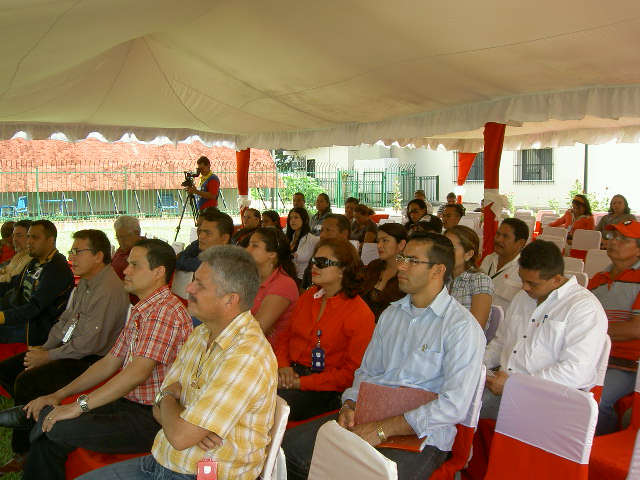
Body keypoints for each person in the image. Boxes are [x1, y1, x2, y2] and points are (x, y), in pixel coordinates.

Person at [282, 232, 485, 480]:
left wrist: (382, 429)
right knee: (290, 449)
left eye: (412, 260)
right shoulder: (391, 315)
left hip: (423, 434)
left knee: (366, 475)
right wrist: (350, 404)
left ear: (437, 270)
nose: (401, 265)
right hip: (369, 418)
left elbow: (454, 405)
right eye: (402, 257)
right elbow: (366, 373)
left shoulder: (461, 326)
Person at [76, 246, 278, 480]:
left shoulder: (245, 356)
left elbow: (180, 436)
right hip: (162, 462)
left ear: (230, 300)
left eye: (199, 285)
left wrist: (169, 401)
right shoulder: (202, 333)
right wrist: (172, 406)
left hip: (198, 474)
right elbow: (157, 406)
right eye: (193, 280)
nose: (188, 288)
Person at [20, 239, 193, 480]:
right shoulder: (146, 308)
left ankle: (27, 429)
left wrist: (78, 405)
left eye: (135, 265)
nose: (125, 270)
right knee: (51, 417)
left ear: (159, 272)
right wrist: (59, 395)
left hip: (153, 416)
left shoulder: (163, 312)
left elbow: (137, 373)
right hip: (130, 405)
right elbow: (111, 360)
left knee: (55, 425)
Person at [0, 230, 129, 474]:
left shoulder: (108, 288)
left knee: (26, 381)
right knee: (9, 369)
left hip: (91, 361)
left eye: (77, 251)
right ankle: (31, 414)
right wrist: (44, 350)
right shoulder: (87, 283)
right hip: (70, 351)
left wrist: (48, 357)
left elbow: (91, 344)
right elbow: (65, 322)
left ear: (98, 255)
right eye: (71, 251)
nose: (72, 256)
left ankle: (24, 451)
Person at [481, 239, 608, 420]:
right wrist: (479, 365)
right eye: (522, 280)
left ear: (556, 280)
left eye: (532, 283)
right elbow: (501, 343)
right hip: (508, 385)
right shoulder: (522, 297)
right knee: (453, 394)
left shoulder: (583, 308)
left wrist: (515, 384)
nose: (524, 287)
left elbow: (575, 371)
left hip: (551, 399)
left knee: (462, 408)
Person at [274, 238, 375, 421]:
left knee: (266, 407)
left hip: (324, 389)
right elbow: (285, 337)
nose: (314, 267)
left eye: (322, 263)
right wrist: (283, 366)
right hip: (289, 373)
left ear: (343, 270)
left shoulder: (359, 313)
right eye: (314, 261)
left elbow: (349, 374)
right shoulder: (308, 297)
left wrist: (299, 383)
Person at [588, 220, 640, 435]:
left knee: (597, 402)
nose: (613, 242)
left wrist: (594, 330)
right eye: (612, 237)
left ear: (638, 250)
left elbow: (636, 330)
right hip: (594, 357)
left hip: (628, 364)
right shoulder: (598, 279)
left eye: (623, 239)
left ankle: (597, 451)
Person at [0, 220, 74, 345]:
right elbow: (13, 285)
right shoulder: (35, 262)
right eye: (28, 237)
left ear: (50, 241)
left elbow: (35, 307)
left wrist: (3, 317)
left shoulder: (56, 268)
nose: (29, 241)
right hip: (21, 314)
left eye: (35, 237)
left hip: (36, 327)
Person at [247, 227, 299, 347]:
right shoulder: (252, 277)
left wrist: (252, 321)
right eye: (249, 244)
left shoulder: (284, 284)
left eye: (254, 246)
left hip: (269, 353)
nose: (248, 249)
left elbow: (255, 331)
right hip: (251, 347)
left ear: (272, 254)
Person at [445, 225, 494, 328]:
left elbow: (476, 327)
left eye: (452, 248)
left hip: (465, 340)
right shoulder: (443, 278)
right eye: (443, 247)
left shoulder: (479, 280)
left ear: (468, 254)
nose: (445, 252)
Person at [479, 218, 529, 312]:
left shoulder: (525, 269)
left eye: (505, 236)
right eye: (498, 234)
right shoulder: (488, 259)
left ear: (520, 243)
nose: (498, 239)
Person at [361, 223, 407, 321]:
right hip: (364, 324)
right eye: (378, 241)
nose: (379, 245)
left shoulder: (409, 272)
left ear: (401, 244)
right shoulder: (374, 266)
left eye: (385, 241)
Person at [299, 214, 352, 290]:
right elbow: (303, 288)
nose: (322, 235)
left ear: (344, 234)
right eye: (322, 231)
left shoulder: (352, 263)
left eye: (328, 230)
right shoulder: (315, 258)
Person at [175, 209, 233, 273]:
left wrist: (182, 260)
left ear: (224, 239)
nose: (201, 236)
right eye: (201, 230)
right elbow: (181, 256)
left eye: (208, 233)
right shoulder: (201, 243)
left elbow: (198, 265)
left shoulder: (229, 261)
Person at [287, 207, 320, 280]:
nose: (292, 220)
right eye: (290, 218)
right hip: (289, 277)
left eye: (296, 217)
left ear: (305, 220)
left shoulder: (313, 240)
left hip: (304, 279)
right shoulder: (288, 239)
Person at [111, 215, 144, 282]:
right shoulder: (123, 249)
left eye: (124, 237)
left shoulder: (145, 250)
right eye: (118, 237)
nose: (120, 241)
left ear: (137, 233)